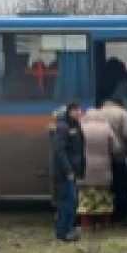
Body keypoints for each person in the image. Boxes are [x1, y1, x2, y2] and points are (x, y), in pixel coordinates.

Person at [79, 105, 123, 231]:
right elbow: (116, 147)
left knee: (85, 196)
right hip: (104, 166)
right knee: (104, 196)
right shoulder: (106, 128)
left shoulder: (81, 128)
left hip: (85, 167)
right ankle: (105, 222)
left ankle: (86, 224)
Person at [51, 103, 85, 243]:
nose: (79, 112)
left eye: (79, 110)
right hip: (65, 172)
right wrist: (68, 170)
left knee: (70, 201)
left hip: (72, 170)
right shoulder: (64, 128)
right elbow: (60, 151)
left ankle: (65, 231)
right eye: (76, 110)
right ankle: (64, 232)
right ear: (70, 112)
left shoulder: (74, 126)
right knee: (68, 202)